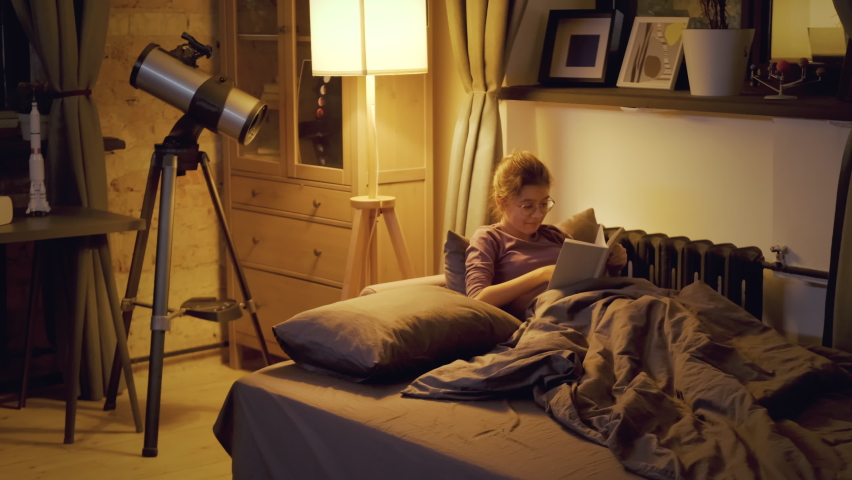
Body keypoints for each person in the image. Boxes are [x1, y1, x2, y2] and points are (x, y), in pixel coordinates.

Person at [465, 152, 628, 318]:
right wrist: (541, 275)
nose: (538, 215)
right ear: (501, 202)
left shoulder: (555, 235)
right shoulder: (489, 238)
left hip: (588, 303)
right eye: (528, 206)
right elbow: (478, 299)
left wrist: (613, 266)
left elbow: (588, 283)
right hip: (552, 314)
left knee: (634, 308)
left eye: (544, 204)